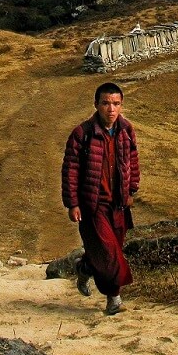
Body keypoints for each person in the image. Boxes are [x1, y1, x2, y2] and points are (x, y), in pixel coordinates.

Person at [61, 81, 140, 315]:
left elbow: (132, 162)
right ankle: (114, 300)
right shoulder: (82, 134)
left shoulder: (126, 131)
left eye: (116, 104)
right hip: (92, 204)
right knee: (109, 254)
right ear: (96, 105)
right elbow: (70, 170)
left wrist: (131, 190)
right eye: (106, 103)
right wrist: (73, 203)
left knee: (114, 247)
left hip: (118, 204)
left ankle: (85, 267)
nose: (111, 109)